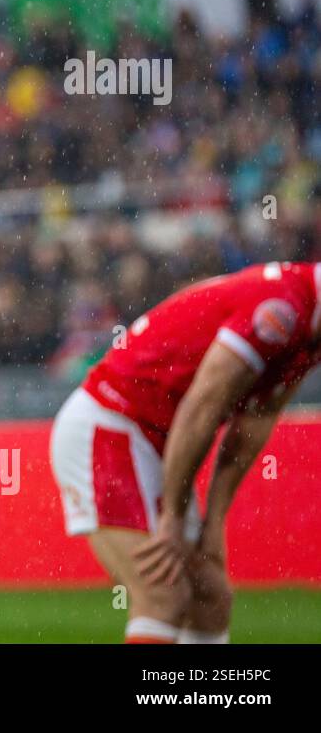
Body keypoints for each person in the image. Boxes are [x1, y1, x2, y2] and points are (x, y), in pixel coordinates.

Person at [50, 261, 321, 643]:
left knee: (209, 596)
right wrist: (173, 516)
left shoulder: (307, 327)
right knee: (162, 592)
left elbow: (253, 424)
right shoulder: (280, 309)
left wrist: (213, 525)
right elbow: (202, 406)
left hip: (151, 440)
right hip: (110, 425)